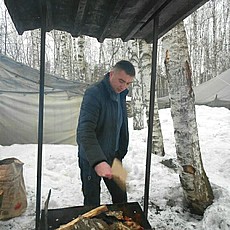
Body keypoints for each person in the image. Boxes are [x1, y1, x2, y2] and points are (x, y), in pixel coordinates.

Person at [76, 60, 135, 206]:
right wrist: (98, 161)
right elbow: (85, 130)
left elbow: (120, 125)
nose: (123, 86)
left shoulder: (121, 95)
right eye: (121, 81)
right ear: (111, 74)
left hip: (113, 156)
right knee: (92, 202)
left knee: (121, 198)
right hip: (91, 158)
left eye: (128, 83)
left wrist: (120, 151)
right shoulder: (94, 93)